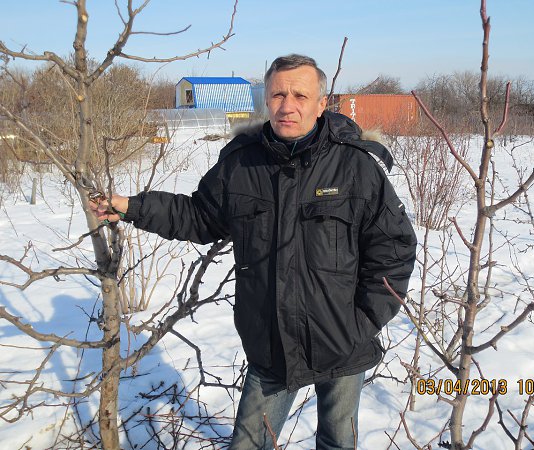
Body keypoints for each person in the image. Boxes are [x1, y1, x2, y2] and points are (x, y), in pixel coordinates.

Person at [91, 54, 417, 449]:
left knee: (337, 442)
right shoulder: (242, 164)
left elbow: (393, 246)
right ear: (266, 99)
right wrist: (133, 207)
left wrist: (364, 321)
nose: (287, 106)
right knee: (248, 443)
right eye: (278, 94)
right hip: (271, 343)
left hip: (344, 341)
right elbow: (199, 216)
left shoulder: (354, 166)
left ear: (320, 104)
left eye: (300, 95)